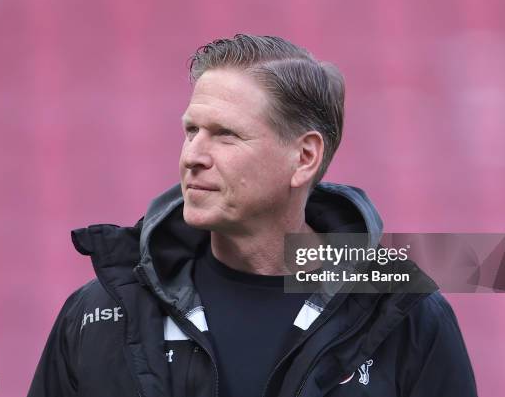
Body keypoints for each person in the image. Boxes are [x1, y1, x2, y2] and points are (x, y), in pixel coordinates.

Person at [27, 34, 478, 397]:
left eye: (225, 135)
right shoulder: (100, 310)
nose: (192, 156)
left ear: (304, 157)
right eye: (191, 131)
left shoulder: (404, 314)